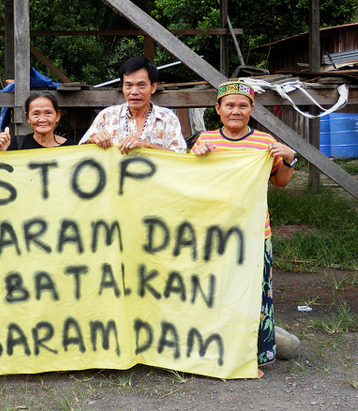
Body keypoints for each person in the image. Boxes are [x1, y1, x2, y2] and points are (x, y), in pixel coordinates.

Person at [191, 80, 298, 379]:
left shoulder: (265, 143)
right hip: (215, 232)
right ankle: (213, 350)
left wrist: (289, 158)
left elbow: (280, 182)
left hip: (253, 233)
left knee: (253, 293)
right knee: (217, 290)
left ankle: (251, 355)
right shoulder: (205, 142)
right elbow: (191, 185)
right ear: (218, 109)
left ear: (251, 109)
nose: (235, 111)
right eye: (229, 105)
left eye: (242, 106)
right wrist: (198, 160)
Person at [79, 56, 186, 154]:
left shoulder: (167, 118)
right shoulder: (107, 116)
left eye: (141, 85)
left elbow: (180, 158)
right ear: (122, 87)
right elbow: (80, 152)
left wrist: (146, 145)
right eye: (128, 85)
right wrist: (92, 140)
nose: (134, 92)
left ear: (153, 87)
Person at [0, 91, 76, 151]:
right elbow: (3, 171)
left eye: (48, 113)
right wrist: (2, 151)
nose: (42, 119)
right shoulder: (17, 145)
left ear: (57, 116)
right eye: (36, 114)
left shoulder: (71, 147)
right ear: (27, 118)